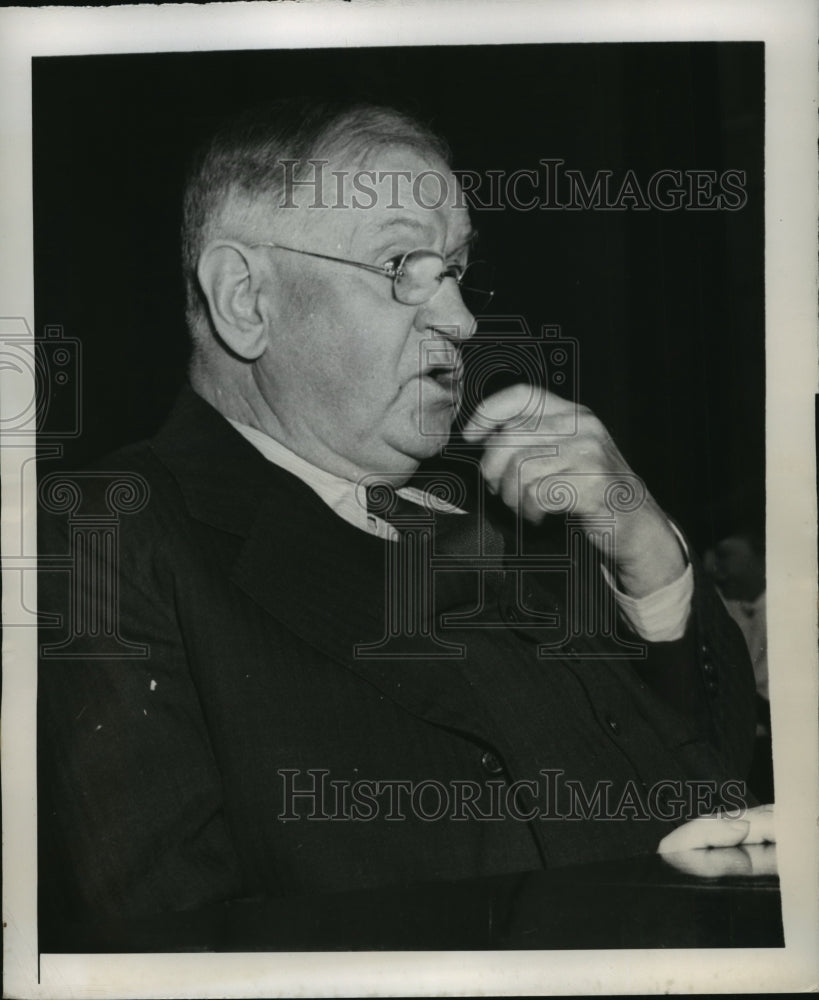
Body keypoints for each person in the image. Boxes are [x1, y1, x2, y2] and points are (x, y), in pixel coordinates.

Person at [37, 99, 773, 925]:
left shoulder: (512, 512)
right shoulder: (100, 538)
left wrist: (647, 554)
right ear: (245, 300)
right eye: (401, 266)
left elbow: (711, 773)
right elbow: (174, 952)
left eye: (454, 270)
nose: (460, 322)